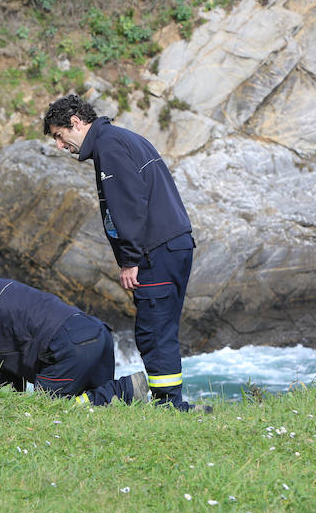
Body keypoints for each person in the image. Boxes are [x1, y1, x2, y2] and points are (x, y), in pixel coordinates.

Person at [43, 94, 206, 412]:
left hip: (155, 251)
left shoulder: (109, 145)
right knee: (163, 329)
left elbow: (128, 205)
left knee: (153, 331)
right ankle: (169, 404)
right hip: (175, 245)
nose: (61, 146)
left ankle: (169, 408)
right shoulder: (121, 138)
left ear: (75, 123)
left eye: (59, 137)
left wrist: (129, 260)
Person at [0, 255, 149, 406]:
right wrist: (7, 405)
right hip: (95, 333)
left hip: (68, 345)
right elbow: (9, 356)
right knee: (98, 414)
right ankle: (118, 396)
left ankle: (124, 389)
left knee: (47, 413)